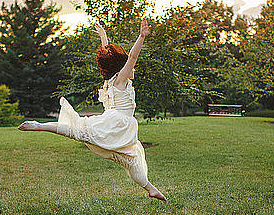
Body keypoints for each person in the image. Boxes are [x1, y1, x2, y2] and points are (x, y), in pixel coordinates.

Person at [18, 19, 167, 201]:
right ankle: (39, 126)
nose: (132, 68)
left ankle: (151, 188)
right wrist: (141, 37)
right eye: (129, 67)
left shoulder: (110, 82)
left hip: (113, 121)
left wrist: (104, 39)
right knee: (129, 159)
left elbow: (110, 59)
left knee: (84, 134)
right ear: (121, 68)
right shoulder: (121, 80)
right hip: (118, 123)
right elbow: (132, 58)